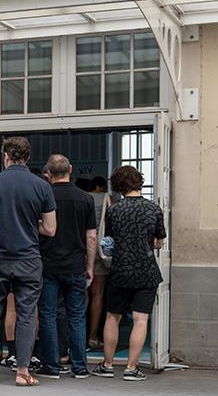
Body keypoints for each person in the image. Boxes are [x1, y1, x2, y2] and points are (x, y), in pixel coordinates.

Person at [0, 137, 57, 387]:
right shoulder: (42, 186)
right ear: (27, 157)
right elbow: (50, 229)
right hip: (28, 258)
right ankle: (23, 371)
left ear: (5, 155)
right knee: (27, 314)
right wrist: (30, 222)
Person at [93, 166, 166, 381]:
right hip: (146, 270)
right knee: (140, 319)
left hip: (120, 270)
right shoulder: (153, 209)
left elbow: (109, 243)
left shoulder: (114, 210)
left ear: (118, 186)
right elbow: (159, 242)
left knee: (112, 317)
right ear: (139, 182)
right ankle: (131, 368)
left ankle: (107, 365)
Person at [37, 155, 97, 379]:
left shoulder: (44, 196)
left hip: (48, 264)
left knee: (48, 315)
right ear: (70, 169)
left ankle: (51, 365)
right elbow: (91, 237)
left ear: (48, 173)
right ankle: (80, 366)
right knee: (77, 316)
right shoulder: (85, 198)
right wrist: (89, 266)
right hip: (75, 265)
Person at [88, 175, 111, 348]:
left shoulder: (84, 197)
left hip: (81, 247)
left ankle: (79, 335)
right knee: (98, 294)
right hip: (99, 249)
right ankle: (93, 336)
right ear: (101, 187)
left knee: (80, 295)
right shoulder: (107, 198)